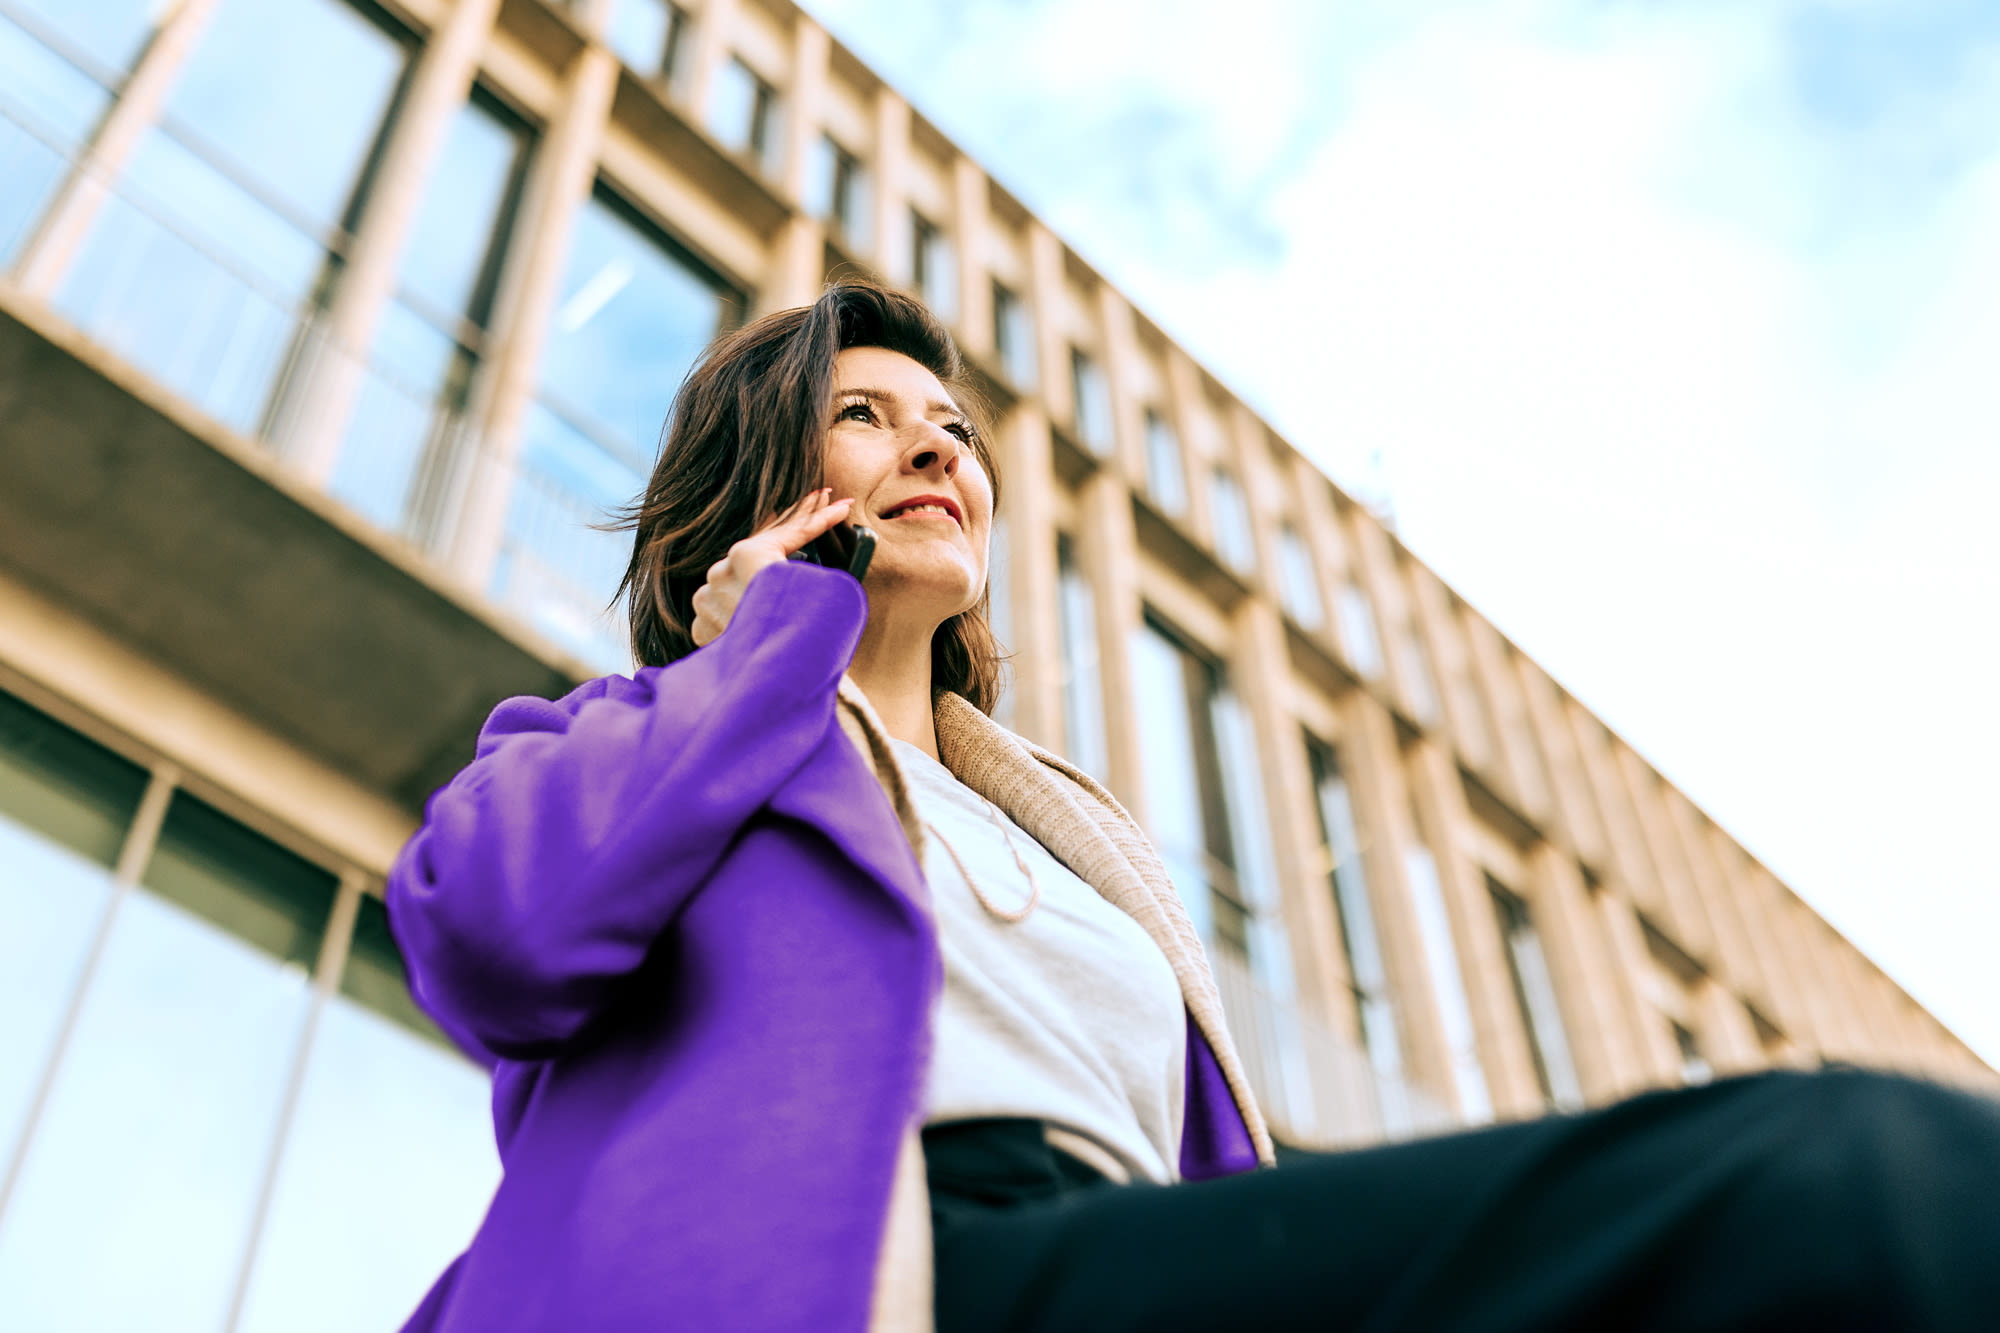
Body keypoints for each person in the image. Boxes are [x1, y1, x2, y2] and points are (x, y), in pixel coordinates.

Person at [384, 279, 2000, 1333]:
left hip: (1116, 1259)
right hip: (832, 1272)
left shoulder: (1076, 842)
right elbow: (496, 942)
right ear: (755, 483)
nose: (935, 447)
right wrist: (762, 649)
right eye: (866, 416)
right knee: (1848, 1181)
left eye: (954, 429)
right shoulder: (617, 735)